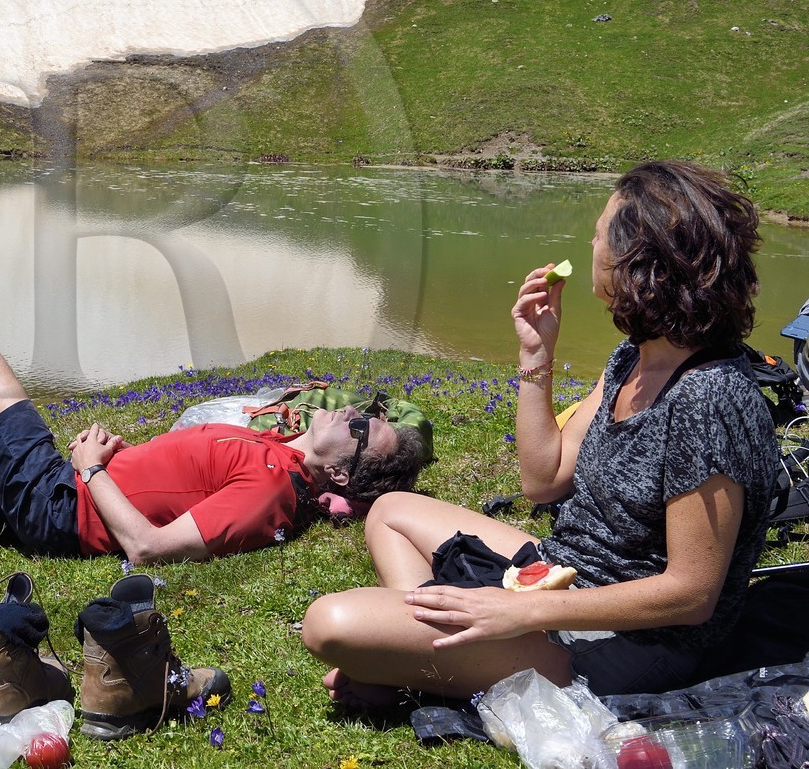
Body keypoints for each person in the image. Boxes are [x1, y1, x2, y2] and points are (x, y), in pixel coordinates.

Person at [302, 160, 778, 705]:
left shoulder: (709, 397)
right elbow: (545, 479)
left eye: (600, 235)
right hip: (566, 570)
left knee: (329, 622)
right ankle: (443, 655)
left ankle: (436, 660)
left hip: (636, 638)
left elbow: (691, 594)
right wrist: (537, 353)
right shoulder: (635, 357)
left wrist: (524, 610)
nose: (591, 244)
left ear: (638, 264)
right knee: (390, 511)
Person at [0, 340, 427, 567]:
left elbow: (147, 545)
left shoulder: (271, 493)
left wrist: (91, 468)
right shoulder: (278, 451)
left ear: (344, 469)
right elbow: (176, 482)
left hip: (66, 505)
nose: (356, 414)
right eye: (369, 413)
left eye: (368, 430)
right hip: (73, 492)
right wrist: (118, 462)